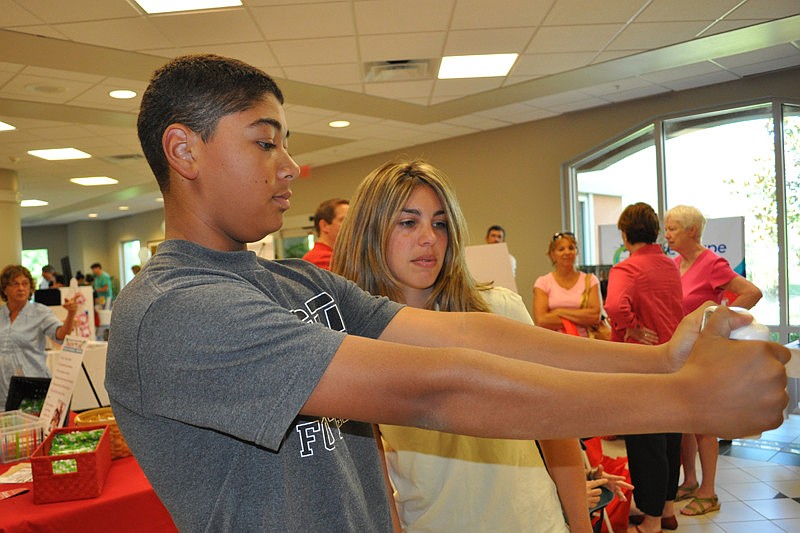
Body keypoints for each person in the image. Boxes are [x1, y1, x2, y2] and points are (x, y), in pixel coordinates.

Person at [104, 54, 789, 532]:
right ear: (184, 151)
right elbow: (432, 388)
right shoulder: (175, 309)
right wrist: (685, 398)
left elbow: (465, 334)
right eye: (264, 143)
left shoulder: (292, 280)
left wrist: (664, 359)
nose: (291, 167)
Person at [332, 159, 614, 532]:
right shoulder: (360, 342)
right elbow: (377, 470)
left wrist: (579, 525)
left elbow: (556, 432)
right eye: (408, 222)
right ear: (371, 232)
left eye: (440, 223)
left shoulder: (498, 311)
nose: (429, 237)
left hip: (532, 521)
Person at [664, 205, 763, 517]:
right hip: (680, 352)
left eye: (673, 228)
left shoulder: (711, 262)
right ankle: (690, 481)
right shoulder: (675, 264)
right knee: (685, 421)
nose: (667, 234)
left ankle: (709, 492)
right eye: (666, 228)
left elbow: (751, 292)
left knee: (704, 423)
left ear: (692, 231)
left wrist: (715, 322)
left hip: (703, 353)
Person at [604, 203, 685, 533]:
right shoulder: (670, 265)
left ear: (624, 235)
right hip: (674, 360)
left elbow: (612, 306)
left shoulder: (627, 269)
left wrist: (631, 326)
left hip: (641, 364)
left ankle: (650, 522)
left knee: (645, 443)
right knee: (670, 438)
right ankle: (666, 509)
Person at [0, 265, 77, 405]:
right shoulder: (1, 314)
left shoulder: (40, 312)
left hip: (32, 387)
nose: (21, 288)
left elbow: (60, 335)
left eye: (25, 283)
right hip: (3, 388)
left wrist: (71, 314)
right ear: (5, 289)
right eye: (15, 284)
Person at [533, 232, 602, 337]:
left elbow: (595, 316)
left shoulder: (590, 280)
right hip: (553, 345)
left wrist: (559, 312)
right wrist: (581, 318)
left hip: (586, 345)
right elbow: (541, 320)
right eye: (561, 249)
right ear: (552, 255)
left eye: (571, 248)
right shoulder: (543, 282)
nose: (567, 252)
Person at [302, 198, 349, 269]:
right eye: (344, 220)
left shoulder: (337, 256)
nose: (352, 225)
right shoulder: (320, 259)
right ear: (324, 226)